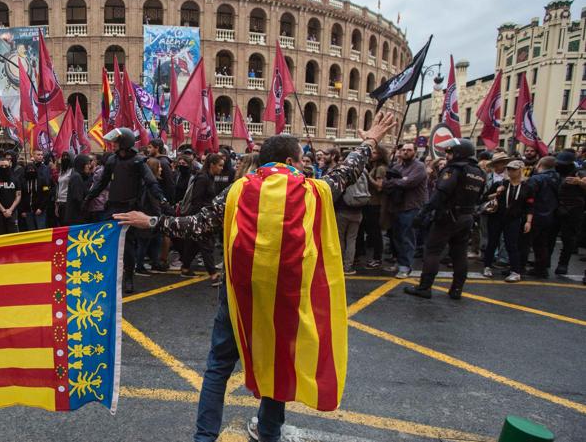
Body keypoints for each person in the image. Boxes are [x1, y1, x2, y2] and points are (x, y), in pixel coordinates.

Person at [115, 112, 397, 442]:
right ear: (291, 160)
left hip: (238, 298)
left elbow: (196, 224)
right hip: (285, 302)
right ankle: (268, 433)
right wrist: (370, 140)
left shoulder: (237, 190)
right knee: (277, 365)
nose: (305, 165)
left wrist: (149, 221)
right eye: (303, 160)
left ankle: (203, 438)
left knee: (218, 368)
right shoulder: (312, 190)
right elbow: (347, 173)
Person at [84, 128, 167, 293]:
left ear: (124, 144)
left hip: (129, 209)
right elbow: (101, 182)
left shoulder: (138, 162)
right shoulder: (112, 161)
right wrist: (89, 197)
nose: (113, 145)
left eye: (116, 142)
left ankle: (129, 278)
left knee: (128, 247)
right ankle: (104, 275)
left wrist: (161, 198)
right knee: (105, 241)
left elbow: (151, 182)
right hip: (112, 207)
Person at [403, 139, 486, 299]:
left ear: (459, 153)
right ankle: (456, 289)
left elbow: (440, 194)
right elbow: (479, 196)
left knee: (432, 251)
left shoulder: (454, 170)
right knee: (460, 253)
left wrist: (423, 214)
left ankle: (424, 288)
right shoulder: (479, 172)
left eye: (450, 152)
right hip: (467, 217)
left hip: (448, 216)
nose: (447, 156)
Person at [480, 159, 533, 282]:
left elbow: (530, 205)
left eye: (513, 169)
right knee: (492, 242)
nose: (510, 171)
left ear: (520, 170)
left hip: (514, 219)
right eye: (508, 169)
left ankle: (515, 271)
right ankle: (487, 266)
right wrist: (496, 194)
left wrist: (528, 221)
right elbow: (484, 197)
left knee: (512, 244)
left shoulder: (527, 187)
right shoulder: (501, 184)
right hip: (496, 217)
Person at [382, 142, 427, 279]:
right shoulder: (396, 166)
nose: (406, 152)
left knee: (407, 238)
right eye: (403, 150)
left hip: (411, 207)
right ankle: (400, 262)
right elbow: (385, 184)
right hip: (396, 207)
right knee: (397, 237)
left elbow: (410, 182)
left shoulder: (419, 167)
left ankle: (406, 267)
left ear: (414, 152)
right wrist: (400, 180)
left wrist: (398, 181)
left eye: (409, 150)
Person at [180, 153, 224, 283]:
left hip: (203, 215)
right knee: (206, 245)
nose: (222, 168)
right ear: (212, 165)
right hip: (201, 216)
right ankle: (213, 275)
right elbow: (196, 200)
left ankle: (185, 268)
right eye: (220, 165)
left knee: (193, 244)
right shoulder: (203, 178)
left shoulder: (209, 177)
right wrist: (202, 216)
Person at [524, 156, 561, 278]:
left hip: (535, 214)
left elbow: (529, 196)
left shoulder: (537, 179)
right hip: (550, 214)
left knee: (525, 242)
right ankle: (541, 268)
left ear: (539, 164)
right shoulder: (557, 178)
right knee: (542, 244)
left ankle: (518, 267)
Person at [553, 151, 586, 275]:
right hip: (556, 208)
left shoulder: (579, 172)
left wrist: (580, 182)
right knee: (549, 237)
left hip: (573, 210)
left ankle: (563, 264)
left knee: (568, 239)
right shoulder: (555, 171)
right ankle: (543, 264)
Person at [355, 145, 388, 269]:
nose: (372, 154)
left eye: (374, 152)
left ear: (380, 155)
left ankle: (377, 258)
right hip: (369, 203)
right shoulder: (373, 167)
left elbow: (380, 186)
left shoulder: (380, 169)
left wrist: (368, 177)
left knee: (375, 232)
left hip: (375, 204)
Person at [0, 156, 22, 235]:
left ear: (9, 165)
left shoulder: (15, 180)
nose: (4, 167)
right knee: (1, 235)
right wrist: (3, 210)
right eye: (1, 166)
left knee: (14, 235)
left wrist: (10, 210)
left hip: (12, 212)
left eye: (6, 166)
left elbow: (18, 196)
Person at [64, 154, 94, 225]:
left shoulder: (78, 176)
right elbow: (77, 198)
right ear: (82, 165)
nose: (89, 166)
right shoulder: (76, 177)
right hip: (76, 218)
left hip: (76, 217)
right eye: (87, 164)